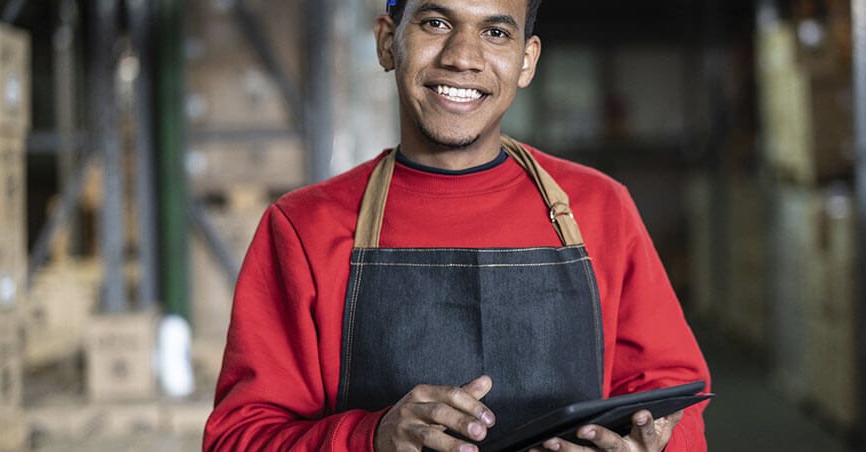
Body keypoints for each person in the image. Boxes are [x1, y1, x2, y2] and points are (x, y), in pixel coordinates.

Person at [203, 0, 710, 450]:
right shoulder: (302, 227)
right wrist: (369, 437)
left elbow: (674, 403)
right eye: (436, 21)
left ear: (526, 60)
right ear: (386, 43)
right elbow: (238, 437)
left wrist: (651, 446)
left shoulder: (601, 208)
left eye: (495, 32)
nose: (462, 56)